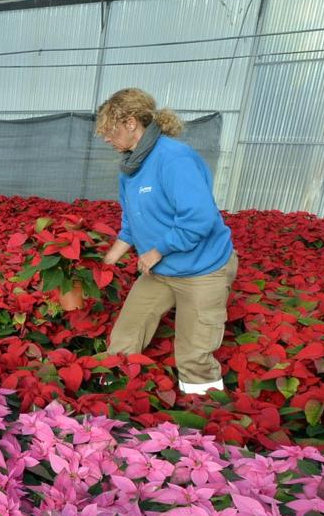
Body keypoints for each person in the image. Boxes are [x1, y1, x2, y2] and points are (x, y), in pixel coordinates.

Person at [95, 88, 237, 396]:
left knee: (193, 353)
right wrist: (106, 261)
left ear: (131, 123)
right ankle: (113, 396)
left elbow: (200, 218)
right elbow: (133, 221)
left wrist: (159, 250)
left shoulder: (174, 158)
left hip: (202, 269)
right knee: (126, 332)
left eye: (109, 130)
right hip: (161, 269)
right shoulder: (130, 167)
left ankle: (205, 420)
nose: (106, 138)